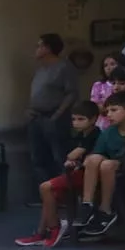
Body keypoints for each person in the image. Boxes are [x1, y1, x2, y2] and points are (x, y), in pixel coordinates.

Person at [17, 100, 102, 247]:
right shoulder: (79, 136)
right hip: (75, 173)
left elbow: (74, 154)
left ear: (94, 119)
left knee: (45, 187)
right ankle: (42, 232)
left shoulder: (95, 135)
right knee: (49, 196)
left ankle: (55, 228)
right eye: (74, 119)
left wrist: (73, 158)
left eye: (81, 119)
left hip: (86, 177)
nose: (76, 123)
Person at [74, 90, 125, 241]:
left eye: (114, 110)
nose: (109, 114)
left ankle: (105, 210)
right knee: (93, 159)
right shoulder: (108, 132)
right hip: (108, 172)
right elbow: (96, 154)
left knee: (107, 165)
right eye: (107, 111)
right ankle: (87, 204)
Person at [28, 32, 81, 181]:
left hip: (54, 117)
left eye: (39, 46)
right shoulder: (40, 69)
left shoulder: (64, 67)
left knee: (59, 156)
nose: (36, 49)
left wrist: (57, 114)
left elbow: (71, 93)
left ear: (48, 48)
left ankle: (64, 193)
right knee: (38, 158)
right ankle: (45, 193)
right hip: (36, 118)